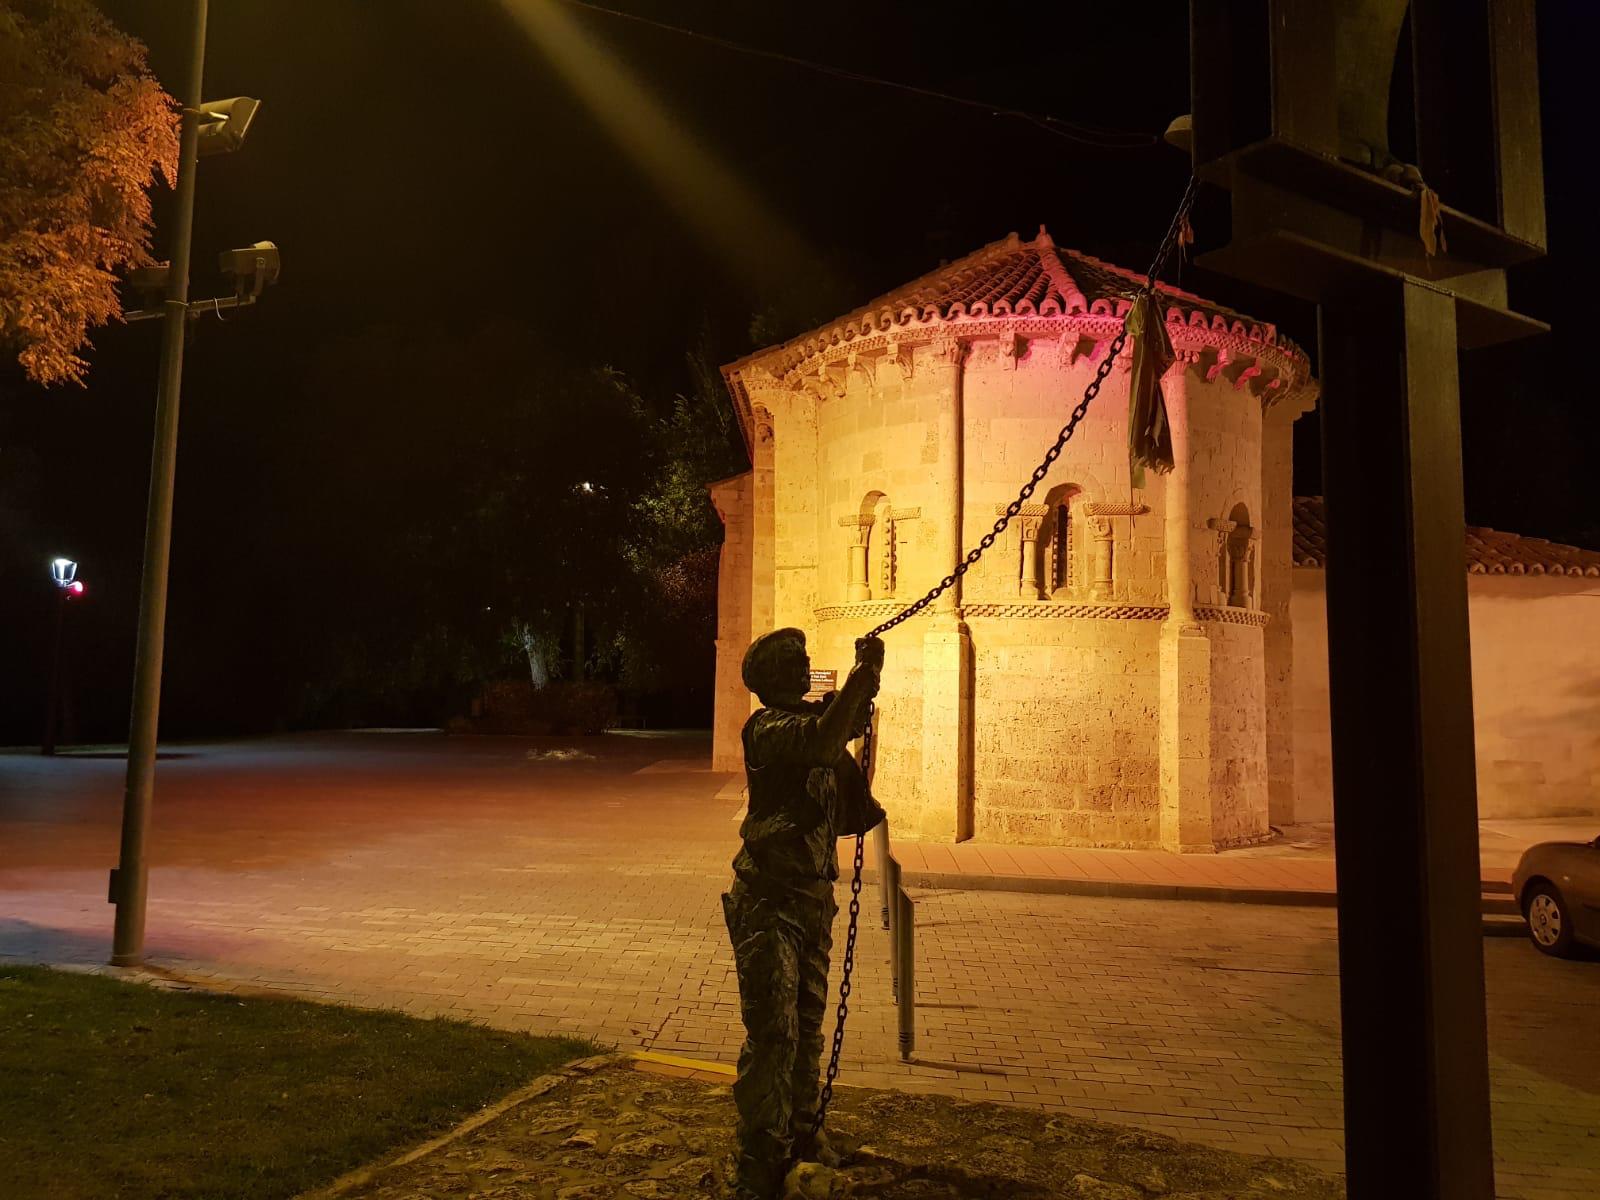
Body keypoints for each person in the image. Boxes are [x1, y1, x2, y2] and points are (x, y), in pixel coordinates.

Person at [723, 628, 888, 1200]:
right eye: (795, 663)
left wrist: (861, 696)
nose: (805, 669)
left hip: (811, 900)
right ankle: (758, 1158)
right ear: (770, 679)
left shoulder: (808, 725)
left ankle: (801, 1135)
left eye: (806, 661)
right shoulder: (768, 730)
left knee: (809, 1028)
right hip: (769, 901)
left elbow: (835, 733)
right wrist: (861, 677)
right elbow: (820, 741)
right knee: (775, 1033)